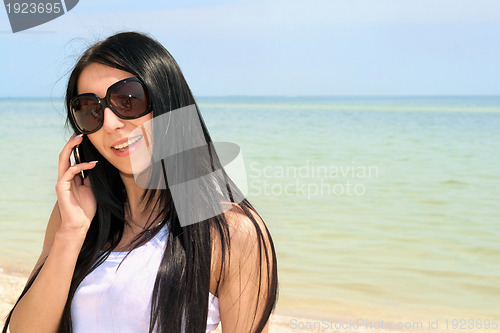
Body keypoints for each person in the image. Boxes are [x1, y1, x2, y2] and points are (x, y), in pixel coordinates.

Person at [3, 32, 278, 333]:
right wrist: (71, 233)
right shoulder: (74, 218)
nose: (110, 123)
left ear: (166, 101)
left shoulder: (229, 232)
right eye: (91, 110)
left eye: (128, 100)